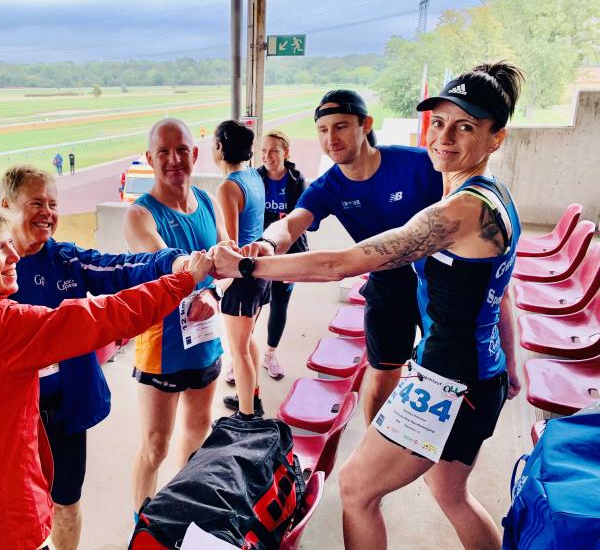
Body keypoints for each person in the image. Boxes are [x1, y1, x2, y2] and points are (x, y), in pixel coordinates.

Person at [214, 61, 525, 550]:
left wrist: (245, 266)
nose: (444, 138)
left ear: (496, 138)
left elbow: (339, 264)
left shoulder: (460, 210)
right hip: (478, 376)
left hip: (449, 383)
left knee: (356, 490)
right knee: (451, 494)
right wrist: (511, 363)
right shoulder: (492, 195)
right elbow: (499, 291)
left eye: (465, 126)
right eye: (440, 123)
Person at [0, 203, 211, 550]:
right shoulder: (1, 325)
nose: (14, 256)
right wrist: (184, 280)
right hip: (1, 522)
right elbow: (106, 317)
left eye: (10, 244)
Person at [0, 164, 193, 550]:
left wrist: (175, 263)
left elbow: (120, 268)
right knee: (14, 510)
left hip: (65, 413)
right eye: (36, 203)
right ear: (6, 205)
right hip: (10, 417)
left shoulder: (67, 260)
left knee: (66, 503)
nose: (47, 212)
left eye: (53, 204)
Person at [238, 89, 442, 424]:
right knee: (383, 373)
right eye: (323, 130)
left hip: (437, 281)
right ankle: (378, 439)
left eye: (341, 127)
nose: (331, 139)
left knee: (440, 377)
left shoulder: (419, 165)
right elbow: (290, 224)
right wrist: (267, 243)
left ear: (366, 125)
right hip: (387, 283)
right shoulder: (328, 187)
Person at [123, 118, 228, 517]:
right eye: (163, 152)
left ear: (194, 154)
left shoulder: (209, 202)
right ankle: (141, 526)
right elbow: (167, 264)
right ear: (150, 159)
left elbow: (227, 264)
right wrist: (199, 278)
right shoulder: (140, 215)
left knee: (198, 431)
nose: (174, 160)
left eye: (182, 150)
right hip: (161, 347)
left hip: (206, 340)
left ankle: (180, 511)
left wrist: (214, 292)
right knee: (155, 447)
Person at [212, 120, 271, 417]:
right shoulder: (254, 176)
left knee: (239, 350)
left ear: (220, 147)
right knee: (247, 342)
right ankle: (252, 397)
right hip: (260, 271)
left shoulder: (228, 187)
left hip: (242, 277)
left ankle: (247, 416)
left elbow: (230, 246)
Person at [257, 130, 309, 380]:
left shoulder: (297, 180)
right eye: (264, 151)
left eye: (274, 151)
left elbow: (300, 222)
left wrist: (286, 257)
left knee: (279, 303)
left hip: (288, 253)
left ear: (286, 152)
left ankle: (270, 354)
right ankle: (240, 357)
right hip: (259, 252)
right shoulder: (255, 178)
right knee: (252, 305)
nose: (267, 156)